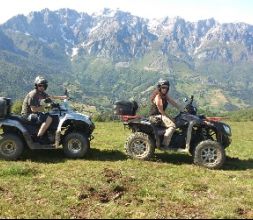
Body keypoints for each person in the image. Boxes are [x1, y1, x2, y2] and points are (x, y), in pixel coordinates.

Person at [21, 76, 67, 144]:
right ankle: (38, 137)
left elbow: (50, 97)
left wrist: (62, 97)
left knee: (52, 115)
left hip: (35, 113)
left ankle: (49, 134)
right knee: (49, 118)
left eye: (43, 86)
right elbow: (33, 109)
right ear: (36, 86)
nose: (42, 87)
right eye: (40, 85)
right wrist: (47, 107)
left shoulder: (41, 93)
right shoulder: (33, 94)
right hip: (27, 114)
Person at [149, 79, 183, 149]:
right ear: (159, 87)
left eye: (166, 88)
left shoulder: (164, 95)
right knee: (173, 126)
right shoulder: (158, 96)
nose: (165, 89)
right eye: (163, 87)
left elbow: (172, 102)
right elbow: (161, 111)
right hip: (156, 116)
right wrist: (171, 118)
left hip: (160, 115)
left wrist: (181, 108)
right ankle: (165, 144)